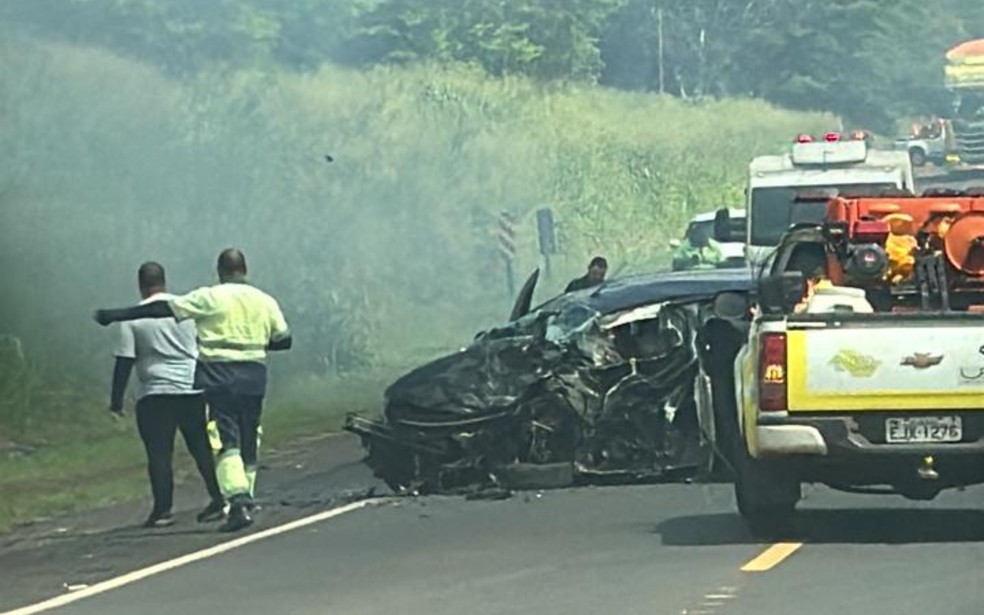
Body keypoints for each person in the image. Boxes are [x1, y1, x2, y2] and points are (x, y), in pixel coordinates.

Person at [95, 249, 292, 532]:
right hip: (249, 377)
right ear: (245, 269)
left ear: (220, 271)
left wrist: (115, 315)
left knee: (220, 440)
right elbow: (285, 340)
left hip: (209, 378)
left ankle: (233, 501)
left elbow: (155, 315)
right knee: (245, 437)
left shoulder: (208, 298)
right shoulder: (265, 300)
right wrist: (256, 344)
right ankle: (238, 497)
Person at [110, 262, 225, 528]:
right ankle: (218, 498)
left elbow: (124, 361)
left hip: (155, 394)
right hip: (191, 389)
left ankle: (163, 510)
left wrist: (116, 401)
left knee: (159, 454)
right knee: (201, 448)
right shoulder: (185, 308)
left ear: (140, 285)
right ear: (164, 281)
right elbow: (203, 345)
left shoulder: (133, 317)